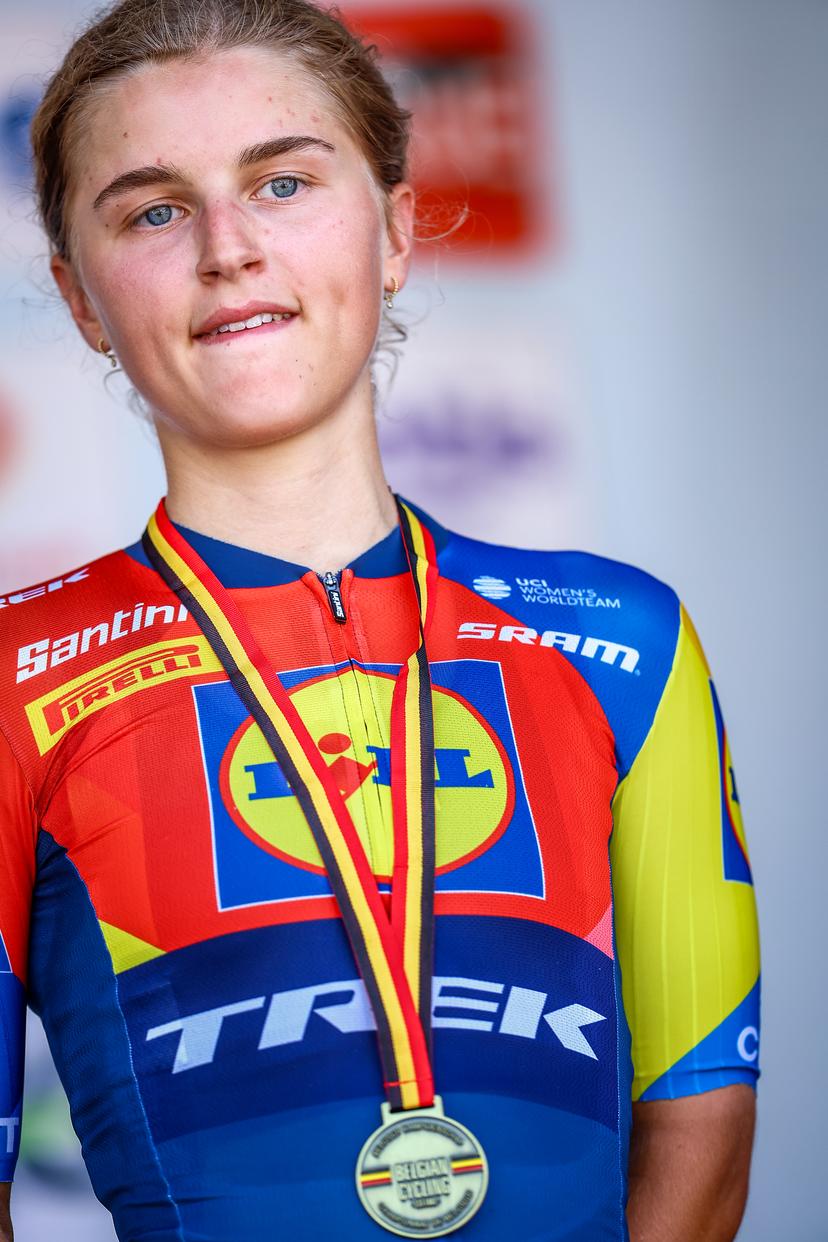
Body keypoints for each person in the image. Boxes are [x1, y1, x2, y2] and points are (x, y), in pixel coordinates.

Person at [0, 1, 760, 1239]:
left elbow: (703, 1125)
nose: (228, 248)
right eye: (152, 210)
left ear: (397, 230)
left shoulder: (621, 641)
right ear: (81, 298)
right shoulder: (14, 673)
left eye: (284, 184)